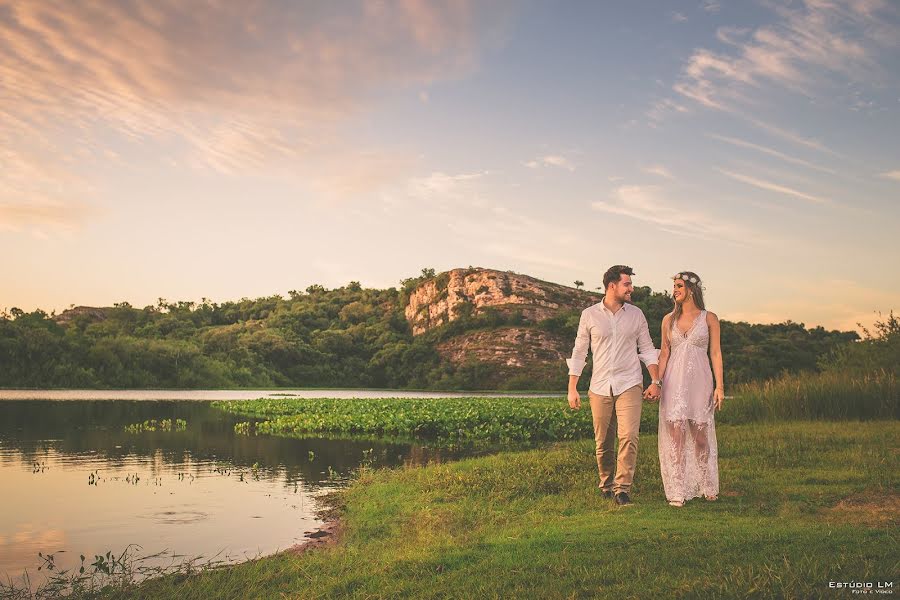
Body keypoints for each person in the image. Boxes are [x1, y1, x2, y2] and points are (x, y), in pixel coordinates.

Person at [566, 265, 661, 506]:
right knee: (603, 443)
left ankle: (622, 489)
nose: (632, 288)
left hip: (630, 382)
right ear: (612, 286)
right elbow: (579, 351)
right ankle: (606, 484)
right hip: (599, 386)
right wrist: (572, 387)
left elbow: (648, 349)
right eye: (627, 284)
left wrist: (655, 380)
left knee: (629, 436)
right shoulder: (589, 315)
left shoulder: (636, 314)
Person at [654, 271, 724, 507]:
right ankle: (677, 491)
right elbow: (664, 353)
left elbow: (715, 353)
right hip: (674, 383)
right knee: (676, 437)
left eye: (679, 286)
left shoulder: (709, 318)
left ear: (692, 289)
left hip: (700, 382)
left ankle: (707, 485)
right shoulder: (668, 320)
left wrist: (719, 387)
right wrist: (657, 383)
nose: (674, 290)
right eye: (674, 286)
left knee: (701, 437)